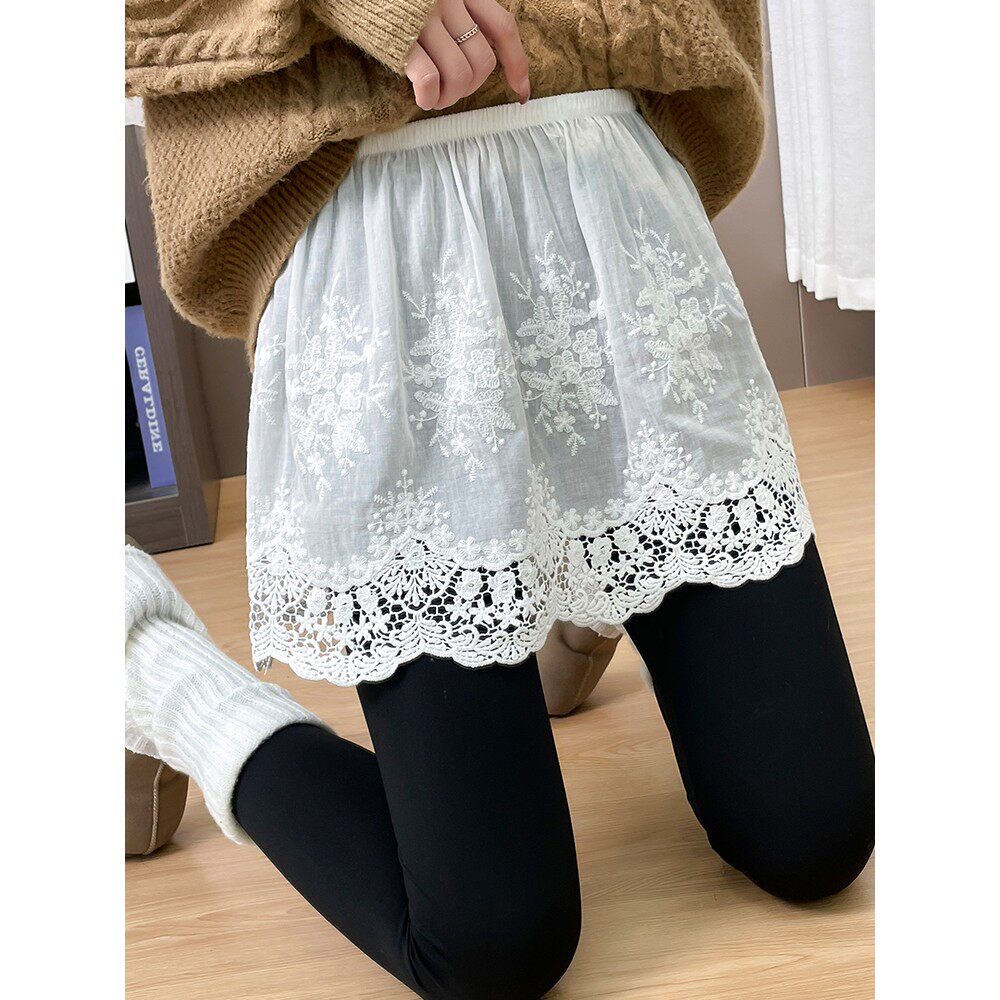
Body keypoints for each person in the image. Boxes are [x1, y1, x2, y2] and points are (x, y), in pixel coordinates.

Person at [125, 2, 875, 997]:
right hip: (370, 216)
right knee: (492, 945)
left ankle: (580, 568)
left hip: (604, 167)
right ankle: (143, 662)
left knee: (815, 834)